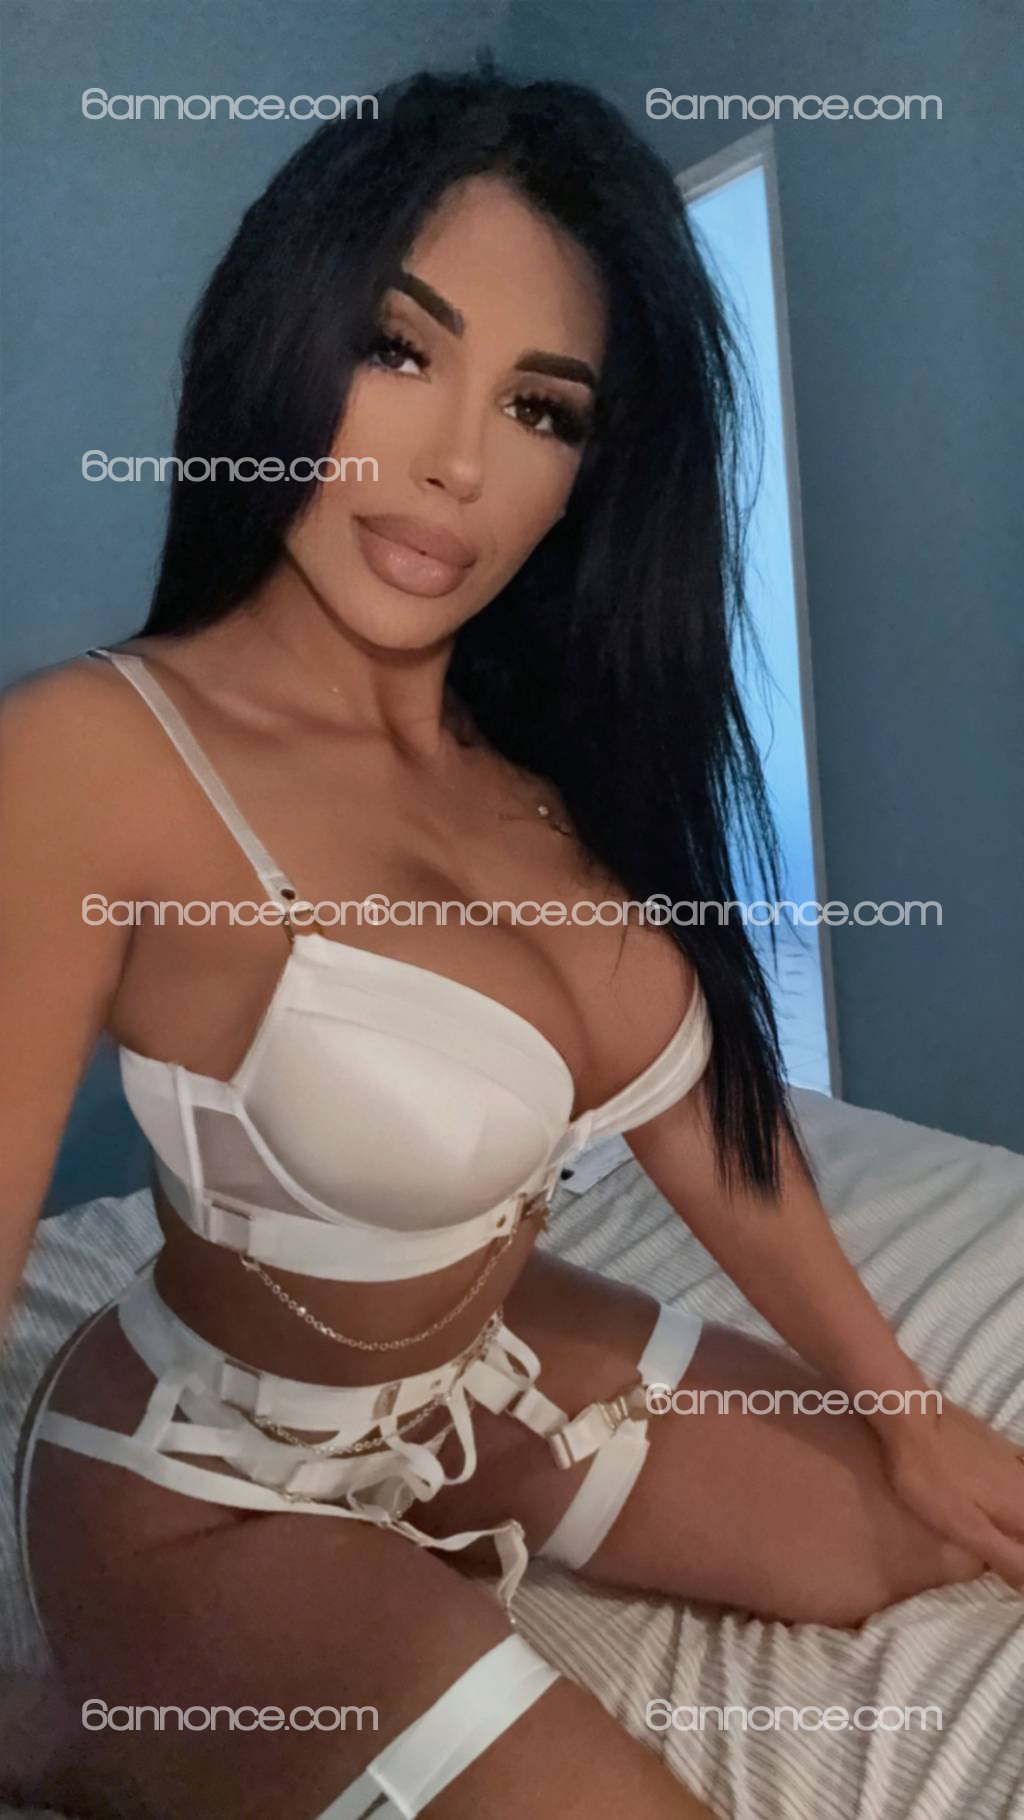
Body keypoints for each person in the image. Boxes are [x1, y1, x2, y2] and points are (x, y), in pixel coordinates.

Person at [2, 62, 1021, 1820]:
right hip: (203, 1477)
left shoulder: (546, 772)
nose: (459, 464)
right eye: (397, 350)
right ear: (279, 344)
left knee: (919, 1540)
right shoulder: (91, 760)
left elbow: (707, 1132)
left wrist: (910, 1411)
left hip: (481, 1386)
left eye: (543, 407)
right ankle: (88, 1728)